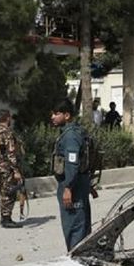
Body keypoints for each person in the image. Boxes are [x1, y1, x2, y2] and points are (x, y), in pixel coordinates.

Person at [51, 99, 92, 251]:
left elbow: (72, 163)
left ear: (67, 115)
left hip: (73, 186)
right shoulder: (75, 132)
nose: (53, 117)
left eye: (57, 114)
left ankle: (77, 262)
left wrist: (68, 187)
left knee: (74, 228)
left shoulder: (70, 137)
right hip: (78, 183)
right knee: (80, 226)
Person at [0, 109, 24, 228]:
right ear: (8, 118)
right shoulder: (6, 132)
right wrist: (16, 170)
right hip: (6, 165)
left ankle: (4, 216)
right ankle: (6, 218)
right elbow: (11, 153)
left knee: (3, 191)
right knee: (10, 191)